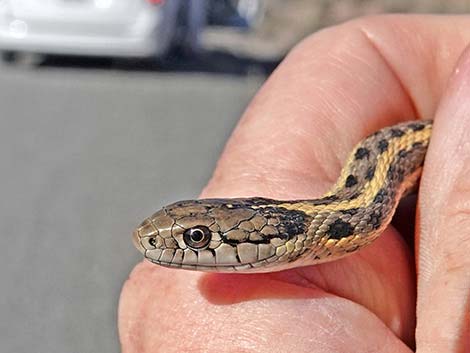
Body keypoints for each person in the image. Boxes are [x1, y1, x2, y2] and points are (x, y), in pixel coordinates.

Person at [119, 15, 470, 352]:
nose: (155, 242)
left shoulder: (365, 198)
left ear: (265, 240)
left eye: (199, 238)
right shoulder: (357, 201)